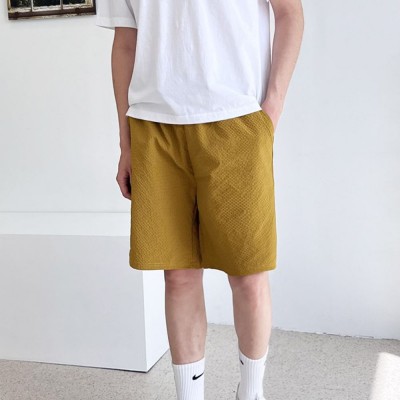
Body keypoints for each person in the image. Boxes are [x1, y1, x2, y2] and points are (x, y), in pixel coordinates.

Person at [95, 0, 304, 399]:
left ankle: (251, 392)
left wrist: (271, 109)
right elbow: (125, 43)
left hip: (235, 118)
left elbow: (290, 12)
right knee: (177, 275)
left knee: (248, 272)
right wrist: (126, 142)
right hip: (154, 126)